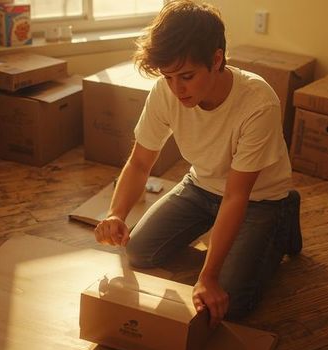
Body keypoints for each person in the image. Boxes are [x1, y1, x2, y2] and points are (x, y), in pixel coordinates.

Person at [94, 0, 301, 328]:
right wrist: (116, 213)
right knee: (138, 252)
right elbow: (139, 163)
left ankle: (287, 212)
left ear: (216, 59)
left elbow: (236, 196)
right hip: (201, 185)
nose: (177, 89)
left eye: (186, 76)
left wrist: (208, 277)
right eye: (168, 77)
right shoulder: (166, 90)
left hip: (259, 200)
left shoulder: (259, 103)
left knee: (231, 301)